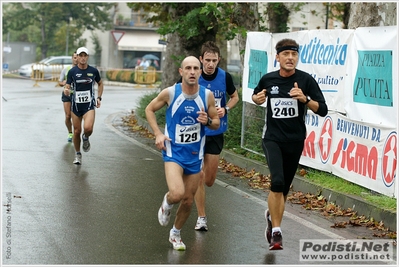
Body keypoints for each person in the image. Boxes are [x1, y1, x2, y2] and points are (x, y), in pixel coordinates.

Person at [252, 38, 328, 250]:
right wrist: (257, 98)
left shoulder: (305, 80)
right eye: (286, 54)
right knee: (276, 182)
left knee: (283, 189)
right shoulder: (268, 79)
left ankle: (271, 217)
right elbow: (257, 96)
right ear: (277, 57)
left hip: (295, 140)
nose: (290, 58)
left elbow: (322, 109)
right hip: (272, 138)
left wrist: (304, 99)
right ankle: (277, 232)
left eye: (294, 54)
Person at [145, 56, 220, 251]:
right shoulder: (171, 93)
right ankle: (167, 203)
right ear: (181, 72)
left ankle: (175, 233)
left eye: (196, 68)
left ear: (200, 72)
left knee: (188, 200)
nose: (192, 72)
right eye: (188, 68)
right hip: (173, 153)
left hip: (195, 155)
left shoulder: (207, 96)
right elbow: (149, 109)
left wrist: (208, 122)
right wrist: (158, 134)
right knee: (177, 193)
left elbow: (216, 122)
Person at [193, 41, 239, 231]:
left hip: (215, 131)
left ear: (218, 60)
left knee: (209, 180)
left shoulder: (225, 77)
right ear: (201, 60)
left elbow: (235, 96)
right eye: (207, 60)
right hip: (196, 132)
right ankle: (201, 217)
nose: (210, 64)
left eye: (214, 60)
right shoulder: (193, 76)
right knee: (199, 174)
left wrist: (226, 109)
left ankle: (196, 186)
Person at [64, 47, 104, 165]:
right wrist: (66, 90)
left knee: (88, 128)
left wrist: (99, 97)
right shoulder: (72, 72)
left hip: (89, 105)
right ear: (77, 57)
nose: (82, 58)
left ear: (87, 57)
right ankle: (78, 154)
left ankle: (86, 138)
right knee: (76, 131)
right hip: (76, 106)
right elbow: (67, 85)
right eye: (80, 56)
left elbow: (100, 83)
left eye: (84, 56)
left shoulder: (93, 71)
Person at [58, 51, 78, 142]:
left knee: (76, 116)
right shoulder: (66, 69)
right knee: (67, 116)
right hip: (67, 94)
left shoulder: (82, 70)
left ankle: (77, 132)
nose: (76, 59)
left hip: (77, 95)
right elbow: (59, 82)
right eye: (74, 57)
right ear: (72, 58)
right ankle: (70, 132)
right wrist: (63, 83)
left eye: (77, 57)